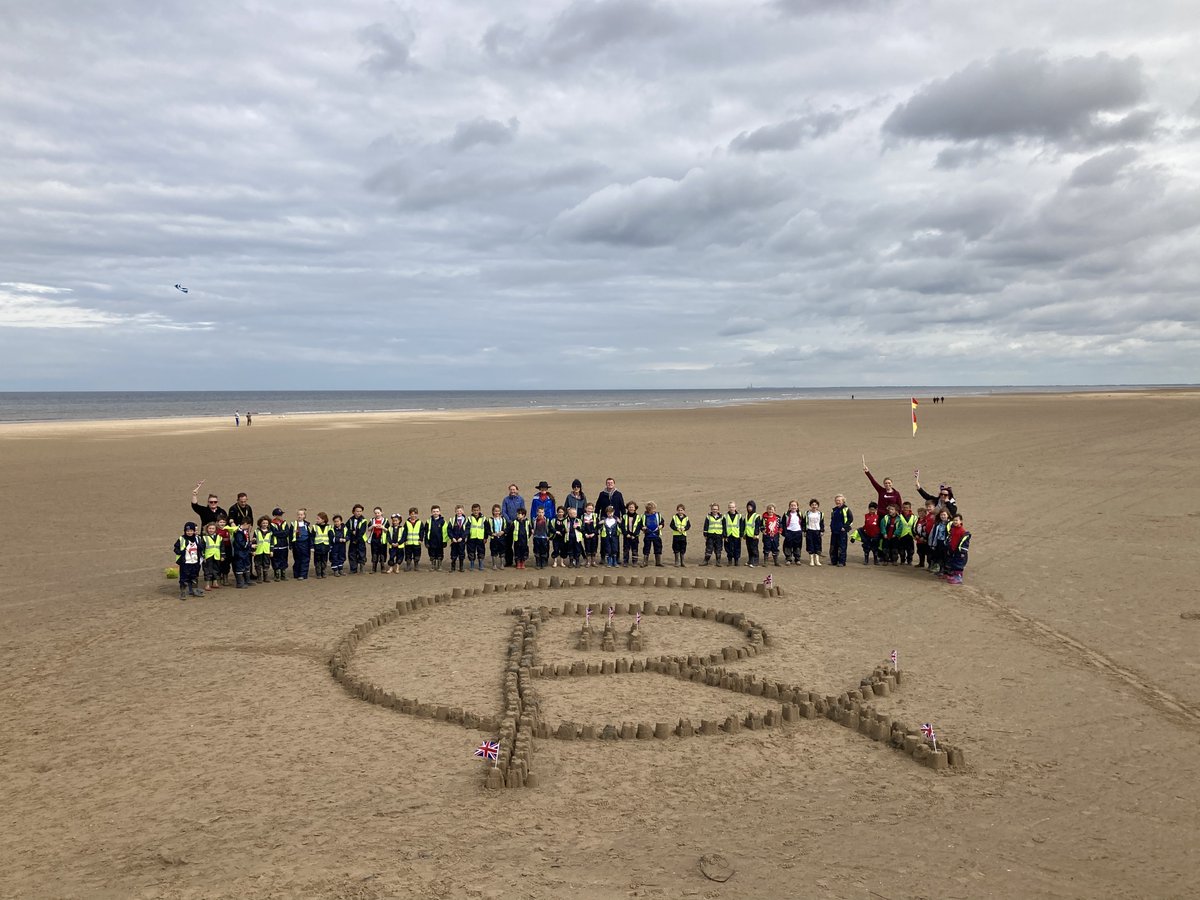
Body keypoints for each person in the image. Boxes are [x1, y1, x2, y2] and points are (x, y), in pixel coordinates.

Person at [173, 522, 203, 600]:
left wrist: (200, 549)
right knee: (184, 578)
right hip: (185, 562)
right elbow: (176, 548)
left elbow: (202, 547)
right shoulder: (182, 539)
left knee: (194, 576)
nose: (189, 532)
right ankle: (183, 592)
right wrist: (180, 552)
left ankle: (194, 590)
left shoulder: (197, 539)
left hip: (195, 561)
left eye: (191, 531)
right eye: (188, 531)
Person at [501, 484, 524, 567]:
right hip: (509, 524)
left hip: (518, 524)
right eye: (511, 489)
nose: (512, 491)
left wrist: (518, 520)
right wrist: (509, 521)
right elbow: (503, 511)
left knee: (518, 544)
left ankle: (518, 560)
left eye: (514, 489)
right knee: (508, 544)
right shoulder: (506, 500)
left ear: (517, 490)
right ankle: (509, 561)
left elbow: (523, 510)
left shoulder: (520, 499)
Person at [944, 514, 971, 584]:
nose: (955, 522)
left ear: (961, 521)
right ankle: (954, 575)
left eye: (956, 520)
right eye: (954, 520)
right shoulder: (952, 529)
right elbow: (950, 538)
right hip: (953, 550)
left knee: (958, 564)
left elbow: (965, 543)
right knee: (953, 562)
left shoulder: (963, 532)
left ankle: (958, 577)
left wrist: (962, 552)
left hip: (960, 552)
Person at [288, 508, 313, 580]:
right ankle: (296, 574)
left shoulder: (307, 524)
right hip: (296, 544)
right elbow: (290, 535)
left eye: (301, 514)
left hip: (305, 544)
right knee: (297, 559)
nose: (299, 516)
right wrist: (290, 545)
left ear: (304, 516)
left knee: (305, 559)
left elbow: (310, 536)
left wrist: (311, 546)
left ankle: (303, 574)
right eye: (298, 514)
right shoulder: (293, 524)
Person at [829, 494, 853, 567]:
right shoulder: (834, 510)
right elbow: (832, 519)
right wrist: (831, 527)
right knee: (833, 547)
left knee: (842, 547)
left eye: (839, 500)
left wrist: (845, 527)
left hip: (842, 532)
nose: (837, 502)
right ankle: (834, 561)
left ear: (843, 501)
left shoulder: (846, 509)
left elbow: (850, 519)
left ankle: (842, 562)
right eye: (836, 500)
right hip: (834, 531)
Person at [346, 504, 368, 575]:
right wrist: (351, 531)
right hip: (352, 540)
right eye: (357, 511)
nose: (358, 513)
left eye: (360, 511)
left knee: (361, 554)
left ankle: (362, 568)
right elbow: (346, 528)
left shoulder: (364, 520)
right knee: (352, 554)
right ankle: (353, 569)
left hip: (360, 540)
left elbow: (362, 531)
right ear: (353, 512)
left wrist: (357, 538)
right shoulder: (350, 520)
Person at [928, 509, 951, 575]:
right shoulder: (937, 524)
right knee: (939, 557)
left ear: (948, 515)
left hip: (946, 543)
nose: (943, 516)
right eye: (941, 515)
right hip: (938, 542)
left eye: (944, 515)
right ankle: (941, 569)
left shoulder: (950, 524)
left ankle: (946, 570)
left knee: (946, 557)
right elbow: (933, 534)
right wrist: (932, 543)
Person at [914, 500, 936, 569]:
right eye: (927, 506)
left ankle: (931, 565)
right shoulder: (928, 515)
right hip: (926, 536)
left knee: (930, 553)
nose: (928, 508)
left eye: (930, 506)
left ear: (934, 506)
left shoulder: (936, 514)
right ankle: (923, 563)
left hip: (932, 537)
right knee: (922, 551)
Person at [641, 501, 664, 567]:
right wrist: (643, 528)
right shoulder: (644, 516)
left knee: (658, 547)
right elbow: (640, 524)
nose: (654, 510)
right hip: (648, 535)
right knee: (646, 548)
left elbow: (662, 522)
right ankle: (645, 562)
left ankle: (658, 562)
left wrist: (661, 525)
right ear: (648, 510)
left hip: (656, 535)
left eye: (654, 509)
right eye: (652, 509)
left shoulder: (658, 515)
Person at [233, 521, 255, 588]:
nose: (249, 527)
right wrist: (250, 545)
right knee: (240, 567)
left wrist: (250, 542)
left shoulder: (244, 531)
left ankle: (247, 580)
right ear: (245, 524)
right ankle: (240, 583)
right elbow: (241, 543)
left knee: (247, 566)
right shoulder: (239, 533)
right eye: (249, 525)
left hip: (245, 552)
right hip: (240, 553)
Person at [201, 522, 223, 591]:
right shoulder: (204, 538)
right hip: (208, 557)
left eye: (213, 528)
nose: (211, 530)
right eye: (210, 528)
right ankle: (207, 584)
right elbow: (202, 548)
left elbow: (222, 548)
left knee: (216, 569)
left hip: (216, 556)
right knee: (208, 570)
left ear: (216, 529)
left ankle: (215, 582)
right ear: (207, 529)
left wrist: (223, 555)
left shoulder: (219, 538)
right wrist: (203, 556)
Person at [782, 499, 804, 565]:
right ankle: (788, 559)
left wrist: (802, 530)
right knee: (788, 545)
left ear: (797, 507)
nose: (793, 507)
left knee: (797, 546)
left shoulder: (800, 514)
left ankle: (797, 559)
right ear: (789, 507)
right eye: (791, 505)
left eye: (795, 505)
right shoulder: (786, 514)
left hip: (798, 532)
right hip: (789, 532)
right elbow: (783, 523)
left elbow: (802, 523)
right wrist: (785, 532)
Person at [426, 505, 448, 571]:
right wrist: (426, 542)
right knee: (431, 553)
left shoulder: (443, 521)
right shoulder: (428, 521)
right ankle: (433, 565)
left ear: (439, 512)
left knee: (440, 554)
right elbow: (426, 532)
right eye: (434, 511)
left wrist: (445, 541)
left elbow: (445, 532)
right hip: (431, 541)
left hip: (440, 541)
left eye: (437, 511)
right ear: (431, 512)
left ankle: (439, 565)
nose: (435, 513)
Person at [253, 516, 274, 585]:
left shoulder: (270, 532)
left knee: (266, 564)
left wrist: (271, 551)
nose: (265, 524)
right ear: (260, 524)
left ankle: (266, 577)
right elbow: (254, 542)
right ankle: (259, 577)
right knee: (258, 564)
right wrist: (253, 551)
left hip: (267, 551)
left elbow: (271, 542)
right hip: (258, 551)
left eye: (266, 523)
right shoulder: (256, 532)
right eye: (263, 523)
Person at [622, 500, 643, 567]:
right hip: (626, 536)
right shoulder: (624, 516)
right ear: (627, 508)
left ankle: (634, 562)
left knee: (635, 550)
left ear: (635, 508)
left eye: (632, 507)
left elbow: (639, 527)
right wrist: (626, 534)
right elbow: (622, 526)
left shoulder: (638, 517)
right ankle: (625, 561)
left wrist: (634, 535)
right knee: (626, 549)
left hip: (635, 536)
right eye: (630, 507)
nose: (631, 508)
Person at [270, 508, 289, 580]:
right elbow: (274, 533)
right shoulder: (271, 524)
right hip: (276, 545)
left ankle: (283, 574)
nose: (281, 516)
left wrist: (280, 534)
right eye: (279, 515)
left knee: (284, 559)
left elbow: (287, 532)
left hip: (284, 545)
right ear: (275, 516)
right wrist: (282, 533)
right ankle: (277, 574)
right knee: (276, 560)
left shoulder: (284, 523)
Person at [466, 503, 487, 571]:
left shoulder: (484, 519)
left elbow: (486, 529)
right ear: (472, 510)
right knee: (471, 551)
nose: (476, 512)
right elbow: (467, 528)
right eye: (474, 510)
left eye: (477, 510)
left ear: (480, 510)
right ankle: (472, 563)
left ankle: (480, 563)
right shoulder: (469, 519)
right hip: (471, 538)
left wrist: (485, 537)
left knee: (481, 551)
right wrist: (466, 537)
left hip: (480, 538)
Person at [804, 499, 824, 567]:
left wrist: (822, 530)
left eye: (815, 505)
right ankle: (811, 560)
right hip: (809, 530)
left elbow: (821, 523)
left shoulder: (820, 514)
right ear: (810, 505)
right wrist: (804, 531)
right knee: (810, 545)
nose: (814, 506)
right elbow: (804, 522)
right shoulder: (807, 513)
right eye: (812, 505)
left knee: (818, 545)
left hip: (817, 531)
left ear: (818, 506)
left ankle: (817, 560)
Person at [723, 502, 744, 567]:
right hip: (728, 535)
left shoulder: (739, 516)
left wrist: (741, 535)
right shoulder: (725, 516)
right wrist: (725, 535)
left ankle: (736, 561)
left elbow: (741, 526)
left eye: (733, 507)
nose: (731, 508)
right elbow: (723, 526)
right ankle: (729, 561)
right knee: (728, 549)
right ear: (728, 508)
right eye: (730, 507)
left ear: (735, 508)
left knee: (737, 548)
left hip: (736, 535)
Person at [448, 506, 468, 572]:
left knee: (461, 553)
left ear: (463, 511)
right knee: (453, 554)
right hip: (454, 540)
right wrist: (452, 537)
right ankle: (453, 567)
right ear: (455, 512)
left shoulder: (466, 520)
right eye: (457, 511)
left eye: (460, 511)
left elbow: (467, 530)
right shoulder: (452, 520)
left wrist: (462, 537)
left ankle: (461, 567)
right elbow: (449, 530)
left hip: (461, 540)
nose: (459, 512)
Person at [312, 512, 332, 578]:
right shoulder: (314, 527)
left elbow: (331, 537)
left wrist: (330, 546)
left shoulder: (329, 527)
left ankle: (323, 572)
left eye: (318, 519)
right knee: (317, 561)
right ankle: (318, 573)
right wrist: (312, 546)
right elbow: (312, 538)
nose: (316, 520)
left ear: (323, 520)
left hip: (325, 547)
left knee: (324, 560)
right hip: (317, 547)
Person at [369, 507, 388, 573]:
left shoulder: (385, 520)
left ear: (381, 513)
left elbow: (388, 530)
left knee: (382, 553)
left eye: (378, 513)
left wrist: (383, 527)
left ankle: (383, 567)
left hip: (382, 539)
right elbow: (368, 529)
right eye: (375, 513)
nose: (377, 514)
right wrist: (373, 526)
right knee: (374, 553)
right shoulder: (372, 520)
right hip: (374, 539)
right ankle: (374, 568)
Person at [743, 500, 762, 568]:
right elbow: (745, 525)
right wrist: (744, 534)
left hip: (754, 536)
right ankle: (750, 560)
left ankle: (755, 561)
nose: (749, 508)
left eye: (751, 507)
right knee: (749, 549)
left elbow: (757, 526)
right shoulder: (746, 515)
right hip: (748, 535)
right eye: (748, 507)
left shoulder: (756, 516)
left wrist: (756, 534)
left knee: (754, 549)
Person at [488, 504, 507, 570]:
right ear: (493, 511)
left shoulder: (503, 519)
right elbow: (487, 530)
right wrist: (492, 534)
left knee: (502, 551)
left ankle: (502, 564)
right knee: (494, 551)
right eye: (495, 511)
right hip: (494, 538)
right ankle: (494, 565)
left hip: (502, 538)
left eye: (498, 511)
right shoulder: (490, 520)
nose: (497, 513)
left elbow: (506, 528)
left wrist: (503, 532)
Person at [581, 502, 599, 567]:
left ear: (593, 509)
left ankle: (593, 561)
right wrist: (585, 534)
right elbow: (581, 527)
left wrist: (594, 533)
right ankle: (588, 562)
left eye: (591, 509)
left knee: (594, 548)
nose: (589, 510)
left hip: (594, 535)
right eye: (588, 508)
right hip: (587, 535)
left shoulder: (595, 516)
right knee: (587, 548)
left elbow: (598, 526)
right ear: (585, 508)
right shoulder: (583, 516)